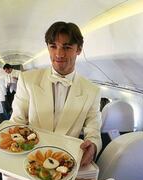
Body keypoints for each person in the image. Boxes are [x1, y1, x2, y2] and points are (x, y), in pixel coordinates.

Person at [10, 21, 101, 167]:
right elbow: (16, 122)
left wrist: (93, 146)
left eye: (67, 47)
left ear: (79, 49)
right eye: (53, 46)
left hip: (66, 161)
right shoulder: (28, 80)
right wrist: (1, 135)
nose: (59, 54)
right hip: (31, 158)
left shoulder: (92, 91)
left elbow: (93, 131)